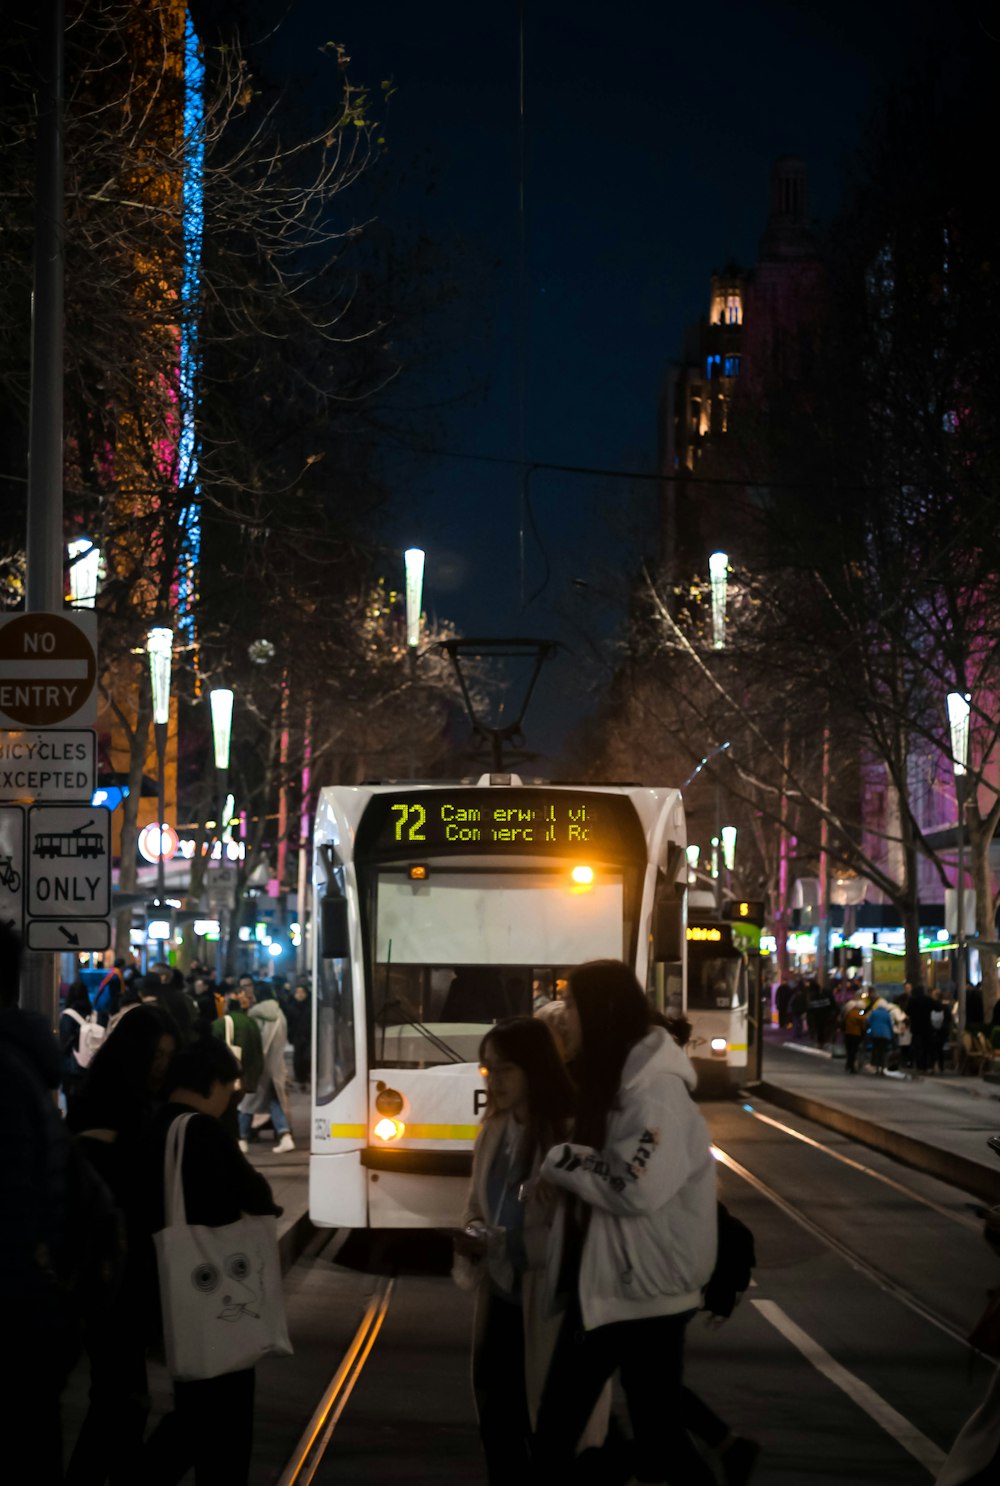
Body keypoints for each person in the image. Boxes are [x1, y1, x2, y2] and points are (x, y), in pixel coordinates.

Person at [530, 959, 718, 1485]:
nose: (563, 1016)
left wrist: (561, 1160)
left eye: (570, 1005)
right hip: (615, 1286)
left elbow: (634, 1186)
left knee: (557, 1436)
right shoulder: (620, 1083)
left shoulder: (654, 1095)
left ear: (601, 1012)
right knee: (658, 1442)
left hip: (637, 1292)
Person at [457, 1016, 608, 1483]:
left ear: (534, 1069)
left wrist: (531, 1237)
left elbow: (589, 1224)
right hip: (500, 1290)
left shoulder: (570, 1135)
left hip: (550, 1301)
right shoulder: (495, 1130)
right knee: (497, 1415)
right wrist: (477, 1234)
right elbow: (475, 1204)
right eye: (486, 1069)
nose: (493, 1081)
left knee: (546, 1422)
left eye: (504, 1069)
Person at [138, 1033, 282, 1486]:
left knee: (194, 1406)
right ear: (213, 1083)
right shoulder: (201, 1130)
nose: (229, 1100)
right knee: (222, 1415)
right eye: (230, 1089)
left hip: (166, 1288)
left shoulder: (151, 1125)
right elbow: (256, 1197)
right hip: (216, 1296)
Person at [65, 1004, 179, 1485]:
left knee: (120, 1398)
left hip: (128, 1270)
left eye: (168, 1057)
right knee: (121, 1397)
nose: (161, 1065)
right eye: (155, 1055)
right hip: (110, 1272)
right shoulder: (107, 1105)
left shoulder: (140, 1104)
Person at [240, 984, 294, 1152]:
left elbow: (252, 1040)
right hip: (276, 1065)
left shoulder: (256, 1015)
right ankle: (285, 1136)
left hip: (259, 1065)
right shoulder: (279, 1014)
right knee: (274, 1101)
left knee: (245, 1103)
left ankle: (241, 1138)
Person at [60, 978, 98, 1109]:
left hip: (72, 1068)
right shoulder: (94, 1015)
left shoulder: (67, 1015)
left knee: (72, 1106)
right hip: (91, 1069)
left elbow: (63, 1043)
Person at [285, 978, 313, 1090]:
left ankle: (306, 1075)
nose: (300, 995)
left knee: (307, 1057)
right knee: (298, 1057)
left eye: (302, 992)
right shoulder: (291, 1005)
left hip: (308, 1036)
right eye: (298, 992)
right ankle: (300, 1077)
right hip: (297, 1036)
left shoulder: (310, 1006)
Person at [866, 996, 895, 1075]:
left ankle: (876, 1067)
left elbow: (868, 1021)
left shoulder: (874, 1012)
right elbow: (890, 1025)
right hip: (885, 1035)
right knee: (883, 1051)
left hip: (875, 1034)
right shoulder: (887, 1014)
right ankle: (882, 1067)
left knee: (876, 1050)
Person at [840, 991, 867, 1075]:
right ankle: (851, 1067)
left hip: (848, 1033)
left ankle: (848, 1064)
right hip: (856, 1035)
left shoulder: (849, 1013)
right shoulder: (859, 1015)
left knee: (849, 1051)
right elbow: (863, 1024)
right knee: (853, 1051)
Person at [929, 988, 953, 1074]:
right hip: (942, 1031)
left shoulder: (931, 1006)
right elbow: (949, 1019)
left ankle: (933, 1066)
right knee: (940, 1049)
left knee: (933, 1049)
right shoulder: (945, 1007)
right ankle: (941, 1066)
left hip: (933, 1031)